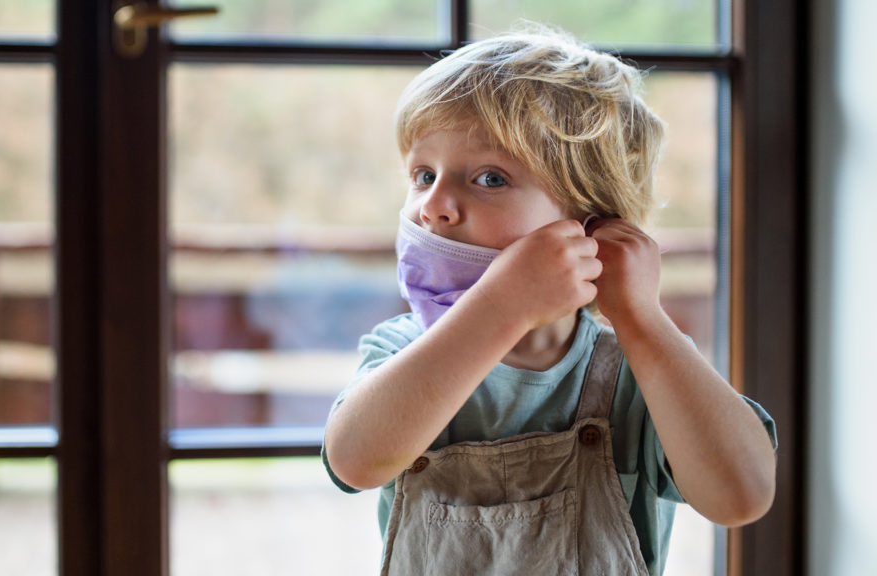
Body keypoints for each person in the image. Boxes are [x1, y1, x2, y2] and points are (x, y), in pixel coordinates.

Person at [322, 25, 777, 576]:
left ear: (592, 222)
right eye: (423, 174)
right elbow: (355, 461)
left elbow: (742, 496)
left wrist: (642, 320)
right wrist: (500, 305)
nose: (433, 205)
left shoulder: (641, 370)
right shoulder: (400, 351)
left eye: (489, 178)